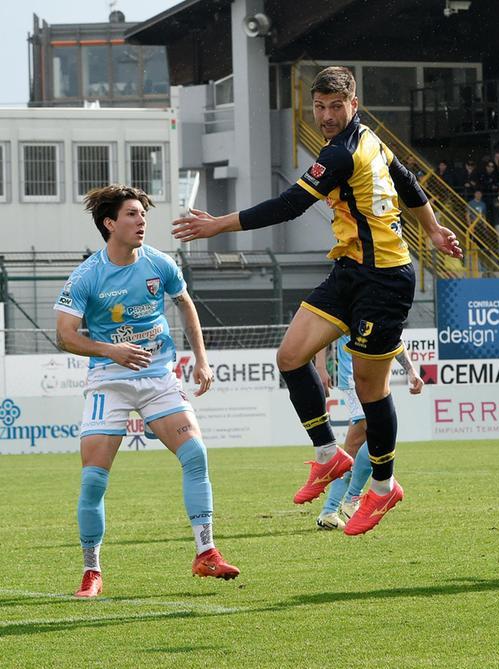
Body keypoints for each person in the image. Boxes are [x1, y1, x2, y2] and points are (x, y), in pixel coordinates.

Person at [171, 66, 462, 535]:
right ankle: (328, 454)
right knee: (289, 356)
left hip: (385, 280)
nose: (325, 116)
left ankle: (385, 489)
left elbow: (289, 205)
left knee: (372, 391)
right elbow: (408, 182)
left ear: (353, 104)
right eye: (319, 107)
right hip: (350, 271)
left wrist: (216, 226)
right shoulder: (370, 139)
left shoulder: (345, 152)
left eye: (334, 107)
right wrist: (431, 228)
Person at [54, 185, 239, 598]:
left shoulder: (160, 262)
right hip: (109, 380)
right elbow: (64, 335)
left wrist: (202, 360)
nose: (142, 222)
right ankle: (91, 571)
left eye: (142, 215)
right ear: (109, 224)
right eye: (132, 215)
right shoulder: (87, 275)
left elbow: (185, 304)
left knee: (195, 454)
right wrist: (109, 350)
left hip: (158, 377)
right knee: (93, 482)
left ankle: (206, 552)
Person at [313, 335, 424, 530]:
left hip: (373, 382)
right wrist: (320, 367)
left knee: (355, 448)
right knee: (376, 438)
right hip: (354, 379)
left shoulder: (384, 310)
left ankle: (330, 511)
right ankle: (350, 501)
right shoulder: (356, 306)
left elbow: (393, 339)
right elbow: (328, 328)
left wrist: (410, 370)